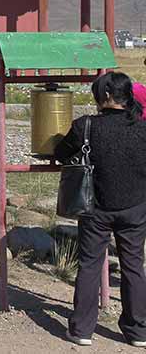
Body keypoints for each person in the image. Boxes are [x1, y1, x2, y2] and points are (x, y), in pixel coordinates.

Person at [54, 72, 146, 347]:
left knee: (90, 265)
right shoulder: (141, 127)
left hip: (96, 208)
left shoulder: (86, 126)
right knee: (133, 266)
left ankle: (82, 329)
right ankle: (138, 331)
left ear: (105, 96)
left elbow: (61, 153)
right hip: (135, 207)